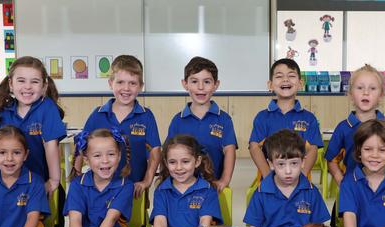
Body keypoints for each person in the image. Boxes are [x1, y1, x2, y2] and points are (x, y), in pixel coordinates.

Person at [0, 55, 66, 227]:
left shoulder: (47, 108)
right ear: (11, 84)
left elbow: (51, 145)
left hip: (41, 184)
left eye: (34, 81)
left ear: (44, 86)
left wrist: (53, 180)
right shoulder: (4, 111)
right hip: (9, 186)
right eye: (21, 81)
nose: (27, 87)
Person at [75, 55, 161, 199]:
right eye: (120, 82)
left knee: (135, 220)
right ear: (110, 83)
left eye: (132, 83)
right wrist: (77, 176)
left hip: (133, 189)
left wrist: (146, 181)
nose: (126, 88)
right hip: (100, 190)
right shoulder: (98, 114)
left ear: (140, 86)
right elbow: (81, 144)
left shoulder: (146, 116)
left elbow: (155, 151)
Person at [325, 64, 385, 186]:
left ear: (381, 95)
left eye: (373, 88)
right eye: (360, 88)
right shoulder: (343, 127)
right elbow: (331, 160)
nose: (366, 92)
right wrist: (341, 181)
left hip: (381, 193)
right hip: (353, 190)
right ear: (351, 94)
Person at [167, 56, 237, 192]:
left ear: (216, 85)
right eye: (194, 81)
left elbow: (229, 151)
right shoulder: (178, 120)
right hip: (183, 186)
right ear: (185, 84)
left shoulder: (224, 119)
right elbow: (169, 153)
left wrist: (224, 180)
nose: (200, 87)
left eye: (206, 82)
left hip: (213, 186)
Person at [249, 58, 323, 178]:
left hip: (300, 181)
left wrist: (302, 177)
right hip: (269, 180)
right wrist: (268, 176)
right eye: (279, 76)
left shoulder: (309, 118)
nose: (285, 80)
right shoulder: (262, 117)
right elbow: (254, 147)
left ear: (300, 83)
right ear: (270, 85)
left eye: (291, 75)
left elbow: (313, 149)